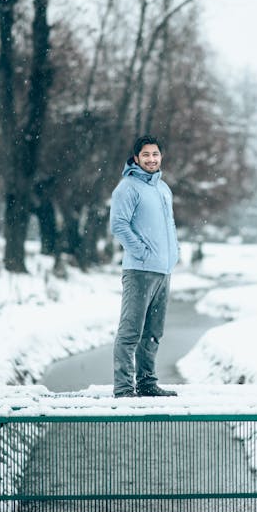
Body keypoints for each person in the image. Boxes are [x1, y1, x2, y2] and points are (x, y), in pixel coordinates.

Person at [110, 135, 179, 398]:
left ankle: (147, 383)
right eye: (146, 155)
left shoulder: (163, 189)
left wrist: (174, 253)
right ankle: (124, 388)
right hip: (139, 271)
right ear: (136, 158)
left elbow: (169, 224)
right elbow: (119, 224)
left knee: (152, 333)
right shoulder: (127, 188)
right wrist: (141, 252)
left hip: (164, 271)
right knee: (130, 332)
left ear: (161, 157)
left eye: (156, 154)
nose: (152, 159)